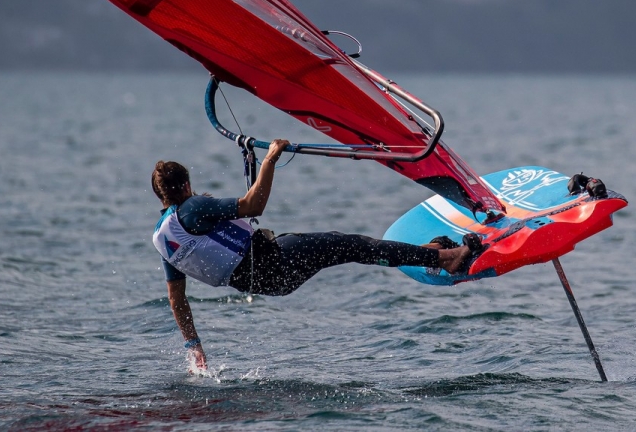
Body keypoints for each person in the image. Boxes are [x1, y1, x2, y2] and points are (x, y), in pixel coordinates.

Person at [151, 139, 480, 370]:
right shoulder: (192, 206)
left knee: (351, 250)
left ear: (160, 196)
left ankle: (427, 253)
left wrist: (193, 345)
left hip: (269, 284)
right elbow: (253, 205)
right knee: (354, 246)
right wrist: (270, 159)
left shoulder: (165, 238)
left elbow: (176, 300)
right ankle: (446, 259)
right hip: (277, 260)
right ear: (186, 186)